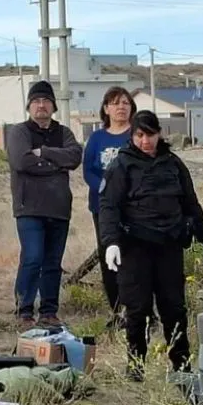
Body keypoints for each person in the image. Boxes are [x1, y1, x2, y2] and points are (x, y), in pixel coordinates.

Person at [98, 110, 203, 382]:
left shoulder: (173, 164)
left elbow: (190, 203)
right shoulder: (121, 165)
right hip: (134, 246)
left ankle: (181, 366)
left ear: (159, 134)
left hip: (169, 245)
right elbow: (108, 207)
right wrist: (110, 243)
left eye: (150, 134)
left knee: (174, 309)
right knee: (137, 310)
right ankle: (136, 366)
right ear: (133, 136)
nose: (145, 140)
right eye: (139, 135)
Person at [5, 80, 82, 328]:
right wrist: (55, 164)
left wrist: (43, 152)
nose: (41, 105)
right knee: (33, 257)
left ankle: (49, 311)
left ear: (53, 106)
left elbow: (74, 157)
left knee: (52, 262)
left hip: (59, 208)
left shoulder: (64, 132)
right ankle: (24, 310)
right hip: (29, 208)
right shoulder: (20, 132)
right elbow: (21, 161)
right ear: (29, 106)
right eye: (36, 101)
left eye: (46, 101)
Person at [82, 87, 135, 319]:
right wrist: (105, 189)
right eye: (115, 103)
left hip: (134, 208)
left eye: (125, 102)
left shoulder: (136, 135)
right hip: (103, 208)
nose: (121, 107)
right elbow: (88, 171)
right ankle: (116, 311)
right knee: (109, 259)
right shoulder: (97, 138)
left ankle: (136, 309)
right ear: (106, 109)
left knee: (134, 258)